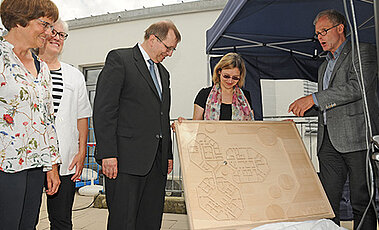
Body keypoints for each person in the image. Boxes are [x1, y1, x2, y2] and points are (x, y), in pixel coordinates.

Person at [288, 9, 379, 229]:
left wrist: (312, 98)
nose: (319, 37)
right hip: (327, 142)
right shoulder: (323, 67)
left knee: (361, 201)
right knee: (328, 204)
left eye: (323, 31)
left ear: (340, 28)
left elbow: (357, 88)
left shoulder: (363, 51)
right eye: (317, 34)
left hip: (357, 137)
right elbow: (324, 105)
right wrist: (299, 114)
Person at [93, 20, 181, 230]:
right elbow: (105, 110)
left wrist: (167, 154)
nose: (169, 54)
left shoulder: (164, 74)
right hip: (125, 162)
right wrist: (107, 153)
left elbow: (162, 115)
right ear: (153, 39)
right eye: (168, 47)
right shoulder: (120, 60)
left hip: (155, 164)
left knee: (150, 222)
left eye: (173, 50)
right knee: (123, 222)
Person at [0, 0, 61, 229]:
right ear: (20, 20)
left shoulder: (41, 66)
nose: (49, 33)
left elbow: (47, 120)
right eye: (44, 24)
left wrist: (52, 166)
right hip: (5, 166)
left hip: (34, 166)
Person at [37, 19, 92, 230]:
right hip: (32, 159)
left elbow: (82, 116)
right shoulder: (28, 69)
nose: (57, 38)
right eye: (54, 32)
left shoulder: (74, 76)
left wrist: (81, 152)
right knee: (26, 217)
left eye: (62, 35)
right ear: (42, 34)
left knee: (61, 220)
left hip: (65, 159)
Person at [193, 52, 254, 121]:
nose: (230, 81)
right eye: (226, 76)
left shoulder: (245, 96)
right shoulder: (204, 94)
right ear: (219, 72)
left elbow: (251, 125)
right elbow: (196, 125)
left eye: (235, 78)